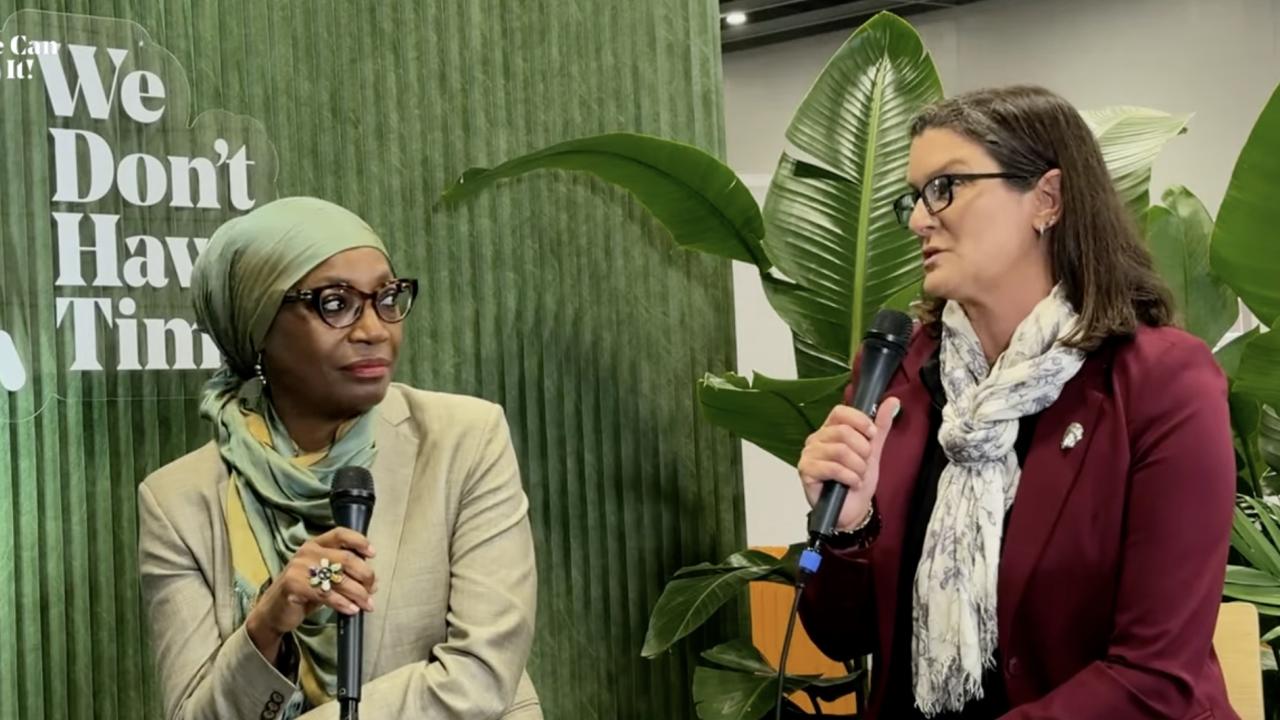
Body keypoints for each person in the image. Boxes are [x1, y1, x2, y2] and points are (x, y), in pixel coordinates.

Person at [796, 86, 1238, 719]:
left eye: (945, 188)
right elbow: (843, 637)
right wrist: (846, 531)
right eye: (915, 197)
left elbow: (1155, 677)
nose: (920, 220)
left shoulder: (1163, 382)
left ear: (1046, 199)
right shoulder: (898, 374)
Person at [137, 197, 541, 720]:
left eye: (387, 298)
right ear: (259, 324)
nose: (375, 330)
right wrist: (266, 625)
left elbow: (480, 676)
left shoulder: (463, 440)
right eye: (335, 303)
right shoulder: (178, 503)